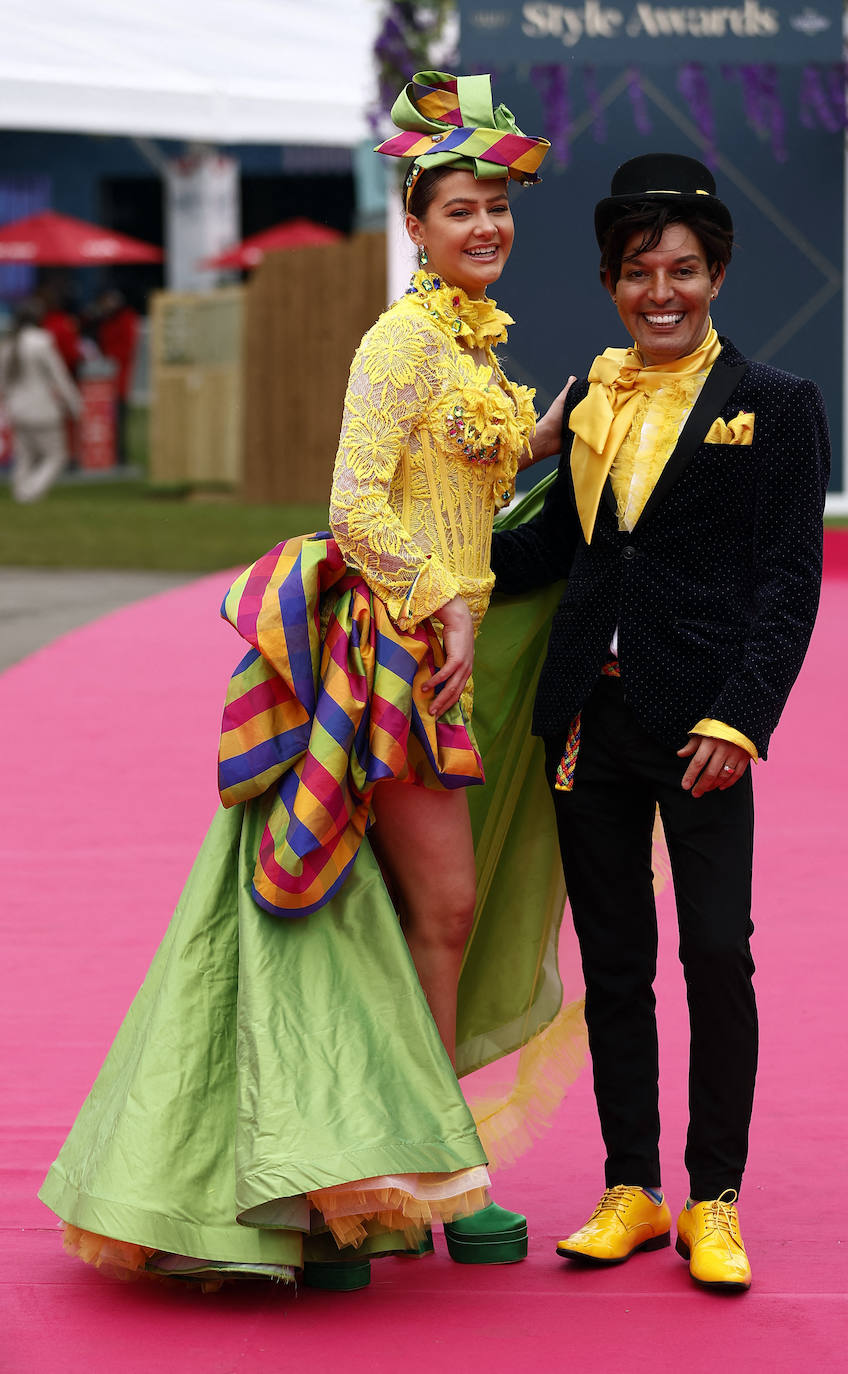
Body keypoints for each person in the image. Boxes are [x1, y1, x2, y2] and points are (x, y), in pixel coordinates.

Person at [38, 71, 576, 1291]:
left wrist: (542, 440)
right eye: (459, 207)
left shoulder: (463, 340)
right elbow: (354, 508)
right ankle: (406, 1193)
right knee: (430, 914)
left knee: (389, 930)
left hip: (433, 657)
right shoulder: (400, 339)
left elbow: (459, 484)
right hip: (383, 659)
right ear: (414, 222)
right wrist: (437, 598)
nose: (485, 223)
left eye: (496, 201)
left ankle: (377, 1193)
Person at [491, 154, 830, 1291]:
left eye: (682, 269)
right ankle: (629, 1187)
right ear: (609, 282)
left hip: (702, 734)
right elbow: (559, 552)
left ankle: (713, 1199)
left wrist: (741, 719)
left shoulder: (775, 407)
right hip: (587, 722)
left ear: (718, 275)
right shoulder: (588, 396)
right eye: (639, 272)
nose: (661, 292)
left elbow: (788, 582)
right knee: (616, 962)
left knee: (715, 955)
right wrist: (428, 558)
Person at [0, 297, 82, 503]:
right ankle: (30, 493)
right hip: (42, 409)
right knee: (57, 456)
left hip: (17, 409)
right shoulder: (41, 341)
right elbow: (59, 376)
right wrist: (75, 404)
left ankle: (20, 492)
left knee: (25, 456)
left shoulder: (8, 344)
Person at [94, 289, 139, 465]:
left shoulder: (125, 319)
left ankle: (121, 456)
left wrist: (107, 358)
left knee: (119, 421)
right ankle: (109, 454)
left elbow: (125, 349)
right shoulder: (107, 321)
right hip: (106, 379)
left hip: (119, 380)